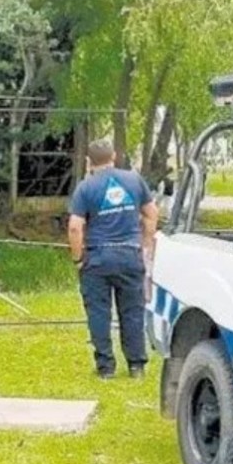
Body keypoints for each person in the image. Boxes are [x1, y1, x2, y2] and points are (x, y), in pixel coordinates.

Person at [68, 139, 159, 379]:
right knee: (132, 311)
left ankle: (106, 367)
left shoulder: (85, 188)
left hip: (98, 257)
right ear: (114, 156)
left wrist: (78, 258)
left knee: (99, 312)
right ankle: (136, 365)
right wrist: (145, 244)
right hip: (130, 254)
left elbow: (75, 227)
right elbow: (151, 214)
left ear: (89, 161)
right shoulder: (134, 180)